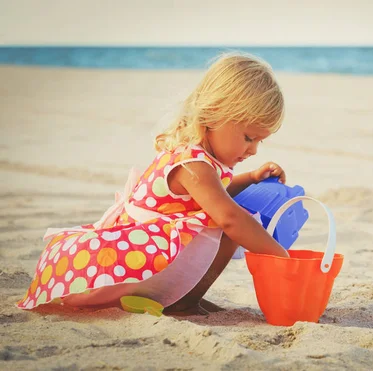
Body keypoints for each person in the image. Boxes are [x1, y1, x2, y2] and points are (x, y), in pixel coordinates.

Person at [17, 51, 290, 314]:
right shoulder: (193, 164)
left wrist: (252, 178)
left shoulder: (193, 153)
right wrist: (282, 258)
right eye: (248, 138)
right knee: (232, 225)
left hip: (143, 252)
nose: (253, 149)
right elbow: (227, 215)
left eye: (259, 141)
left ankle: (182, 297)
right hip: (137, 260)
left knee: (225, 216)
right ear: (216, 113)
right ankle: (183, 303)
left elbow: (210, 196)